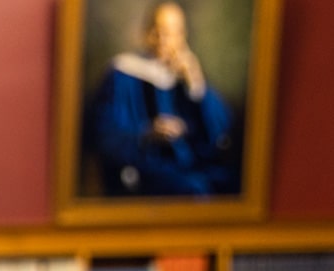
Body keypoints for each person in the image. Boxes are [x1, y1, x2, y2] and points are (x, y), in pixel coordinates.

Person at [85, 1, 238, 197]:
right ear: (146, 33)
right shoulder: (122, 74)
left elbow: (220, 134)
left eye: (171, 32)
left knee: (228, 183)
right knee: (194, 188)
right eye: (157, 30)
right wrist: (147, 133)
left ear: (182, 37)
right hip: (141, 167)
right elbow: (103, 134)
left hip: (188, 164)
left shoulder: (186, 76)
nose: (163, 39)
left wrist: (197, 85)